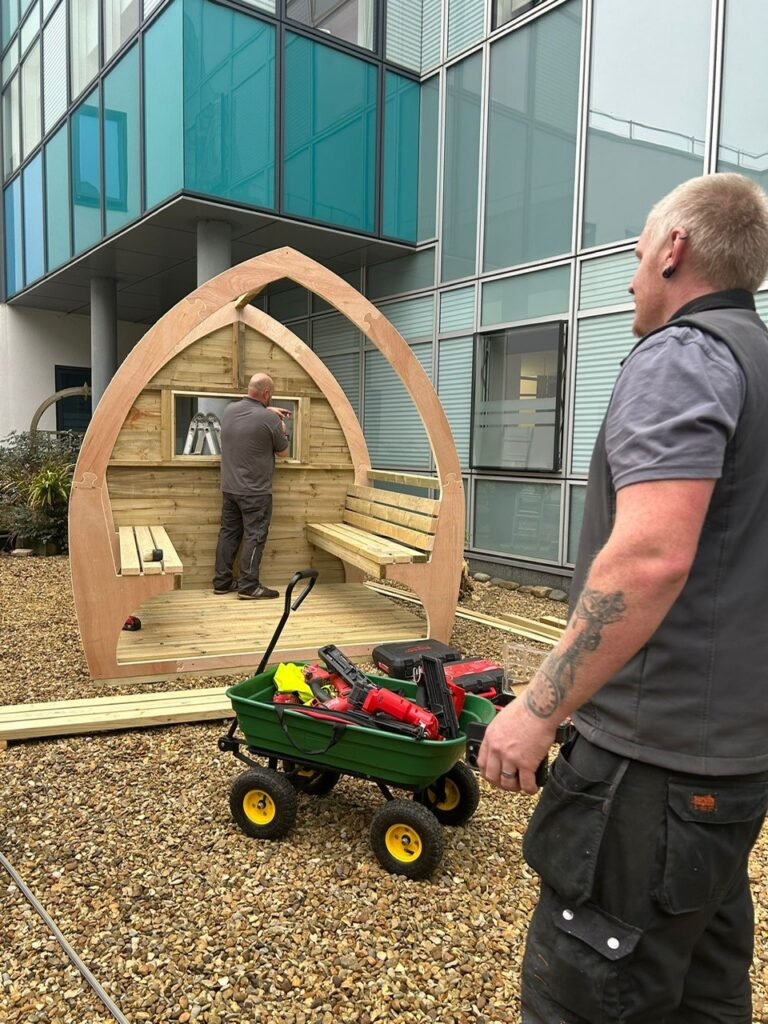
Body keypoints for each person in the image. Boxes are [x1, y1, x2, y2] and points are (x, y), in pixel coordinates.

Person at [478, 173, 768, 1024]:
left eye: (638, 252)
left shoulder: (684, 356)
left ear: (675, 249)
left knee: (590, 998)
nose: (631, 275)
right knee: (700, 997)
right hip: (733, 768)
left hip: (651, 772)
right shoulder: (760, 360)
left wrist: (536, 708)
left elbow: (647, 558)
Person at [212, 372, 290, 599]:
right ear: (267, 393)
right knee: (255, 536)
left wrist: (266, 411)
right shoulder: (271, 420)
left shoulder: (229, 410)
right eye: (271, 396)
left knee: (228, 534)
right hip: (255, 492)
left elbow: (248, 411)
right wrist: (281, 426)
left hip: (230, 488)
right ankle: (248, 586)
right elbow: (283, 453)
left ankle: (222, 582)